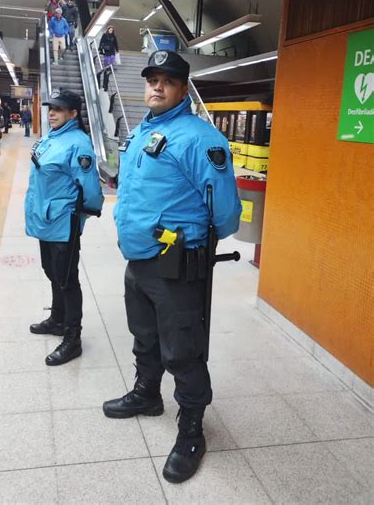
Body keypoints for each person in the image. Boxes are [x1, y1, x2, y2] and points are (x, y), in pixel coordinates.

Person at [102, 51, 241, 484]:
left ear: (183, 88)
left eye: (168, 80)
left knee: (182, 348)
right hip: (139, 259)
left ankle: (192, 430)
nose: (157, 87)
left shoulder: (201, 139)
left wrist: (194, 239)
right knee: (144, 336)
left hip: (177, 266)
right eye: (151, 79)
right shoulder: (143, 130)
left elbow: (227, 214)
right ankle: (147, 395)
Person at [25, 89, 103, 365]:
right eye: (50, 108)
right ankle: (58, 319)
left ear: (73, 113)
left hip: (63, 222)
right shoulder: (51, 137)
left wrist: (84, 213)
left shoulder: (78, 143)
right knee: (51, 270)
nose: (52, 113)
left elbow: (91, 189)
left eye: (58, 109)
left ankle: (73, 338)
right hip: (46, 219)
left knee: (67, 279)